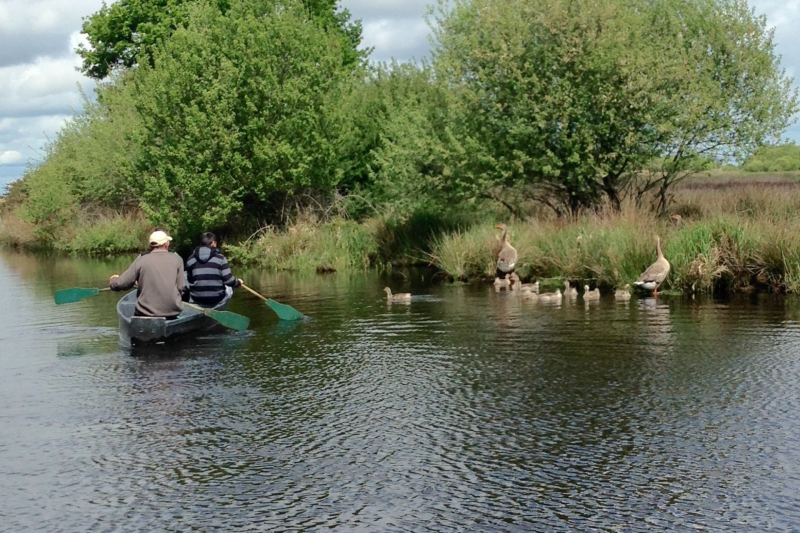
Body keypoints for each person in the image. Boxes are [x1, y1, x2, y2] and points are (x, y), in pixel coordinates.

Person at [109, 230, 185, 318]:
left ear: (150, 245)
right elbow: (181, 287)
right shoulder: (177, 259)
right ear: (166, 244)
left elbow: (121, 284)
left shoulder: (141, 260)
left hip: (146, 314)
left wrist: (113, 281)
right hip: (172, 312)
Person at [185, 232, 242, 306]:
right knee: (229, 289)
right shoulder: (220, 258)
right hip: (216, 299)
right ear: (213, 243)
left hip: (197, 298)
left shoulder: (191, 259)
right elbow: (229, 280)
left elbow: (190, 279)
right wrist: (237, 283)